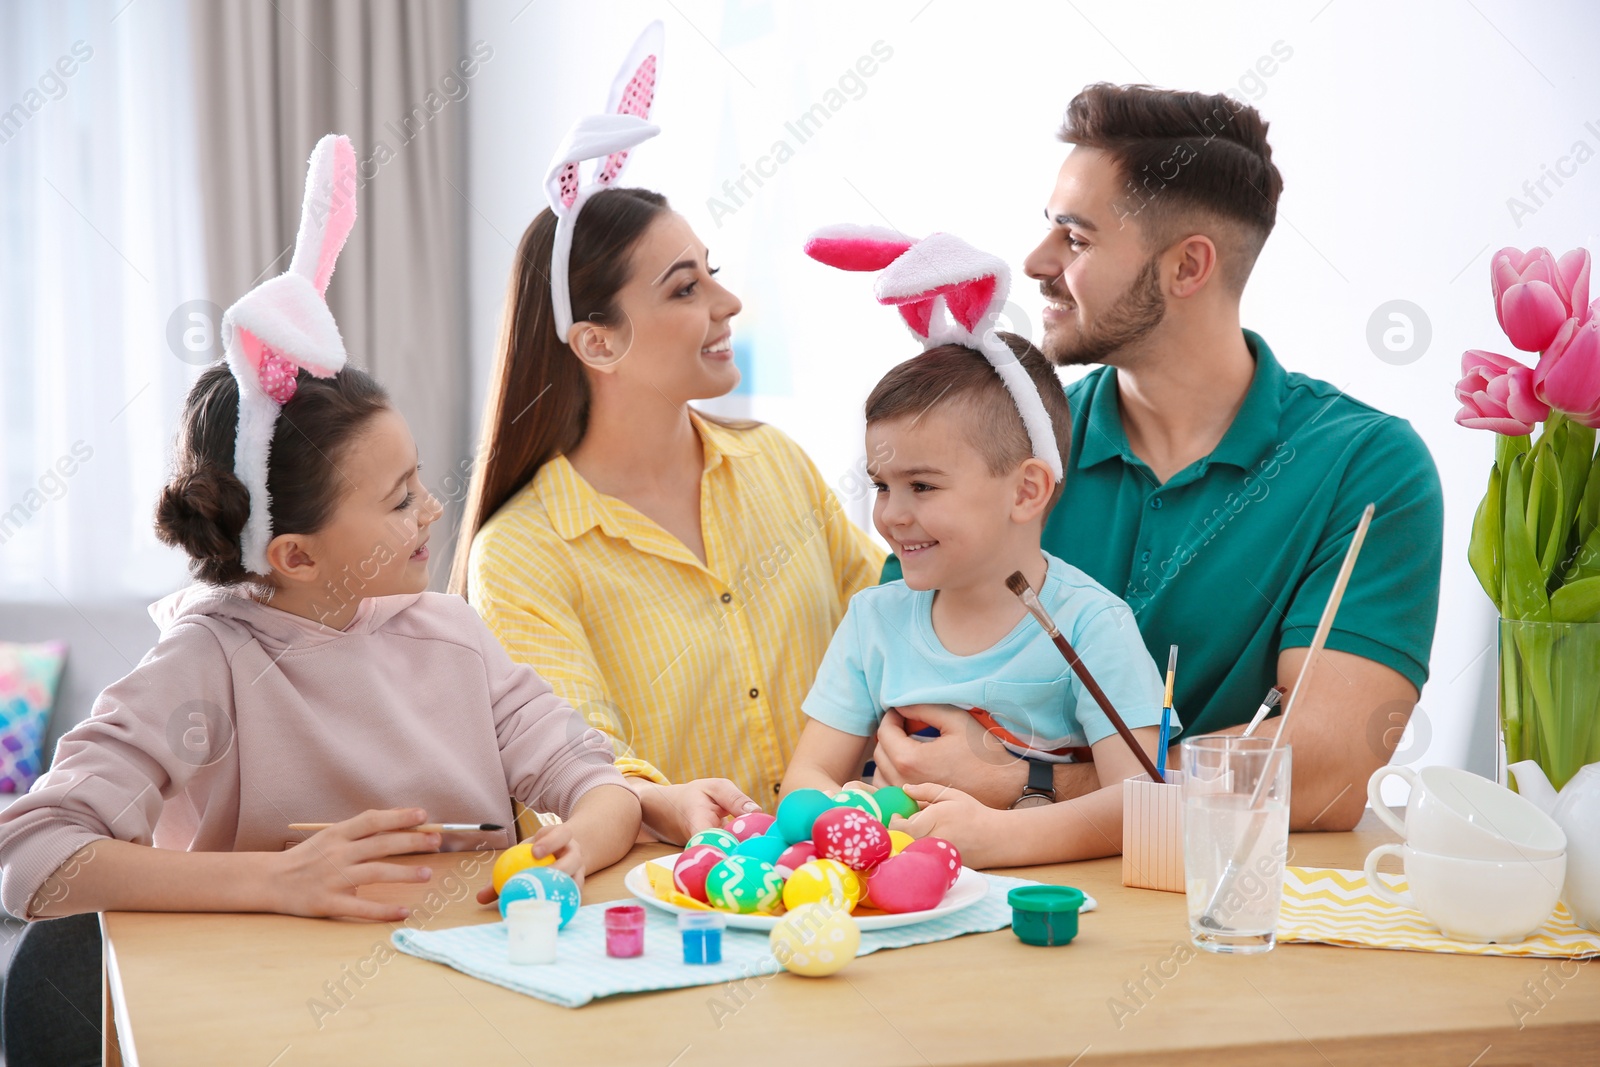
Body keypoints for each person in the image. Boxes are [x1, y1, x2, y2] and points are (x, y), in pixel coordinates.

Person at [872, 84, 1443, 833]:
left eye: (1075, 239)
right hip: (982, 904)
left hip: (1228, 917)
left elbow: (1325, 774)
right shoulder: (1000, 439)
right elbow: (914, 711)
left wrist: (1035, 781)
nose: (1036, 261)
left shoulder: (1368, 468)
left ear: (1187, 267)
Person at [454, 24, 883, 843]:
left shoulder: (775, 466)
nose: (725, 305)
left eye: (712, 273)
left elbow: (887, 628)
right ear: (598, 341)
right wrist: (668, 801)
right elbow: (581, 761)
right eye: (685, 288)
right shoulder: (522, 553)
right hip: (669, 909)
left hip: (846, 883)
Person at [781, 228, 1166, 866]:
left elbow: (1144, 801)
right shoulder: (872, 621)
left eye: (922, 486)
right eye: (881, 485)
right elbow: (805, 780)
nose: (891, 515)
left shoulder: (1093, 627)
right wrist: (853, 816)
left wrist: (1000, 836)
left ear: (1027, 490)